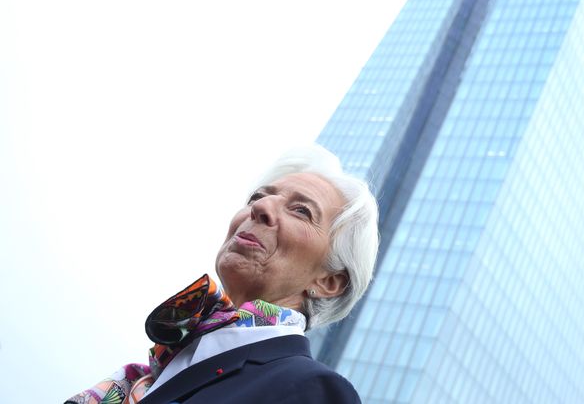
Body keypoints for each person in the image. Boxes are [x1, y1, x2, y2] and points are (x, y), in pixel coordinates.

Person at [67, 145, 380, 404]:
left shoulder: (314, 391)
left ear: (329, 281)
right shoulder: (157, 369)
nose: (261, 207)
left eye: (301, 210)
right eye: (258, 197)